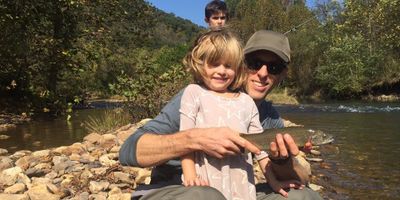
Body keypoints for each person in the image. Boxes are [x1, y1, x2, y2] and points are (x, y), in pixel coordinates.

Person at [119, 30, 323, 200]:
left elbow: (301, 177)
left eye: (274, 67)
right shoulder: (195, 95)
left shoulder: (267, 115)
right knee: (207, 196)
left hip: (237, 191)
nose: (262, 73)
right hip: (179, 189)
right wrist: (194, 139)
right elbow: (128, 151)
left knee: (304, 196)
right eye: (254, 62)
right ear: (242, 63)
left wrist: (281, 161)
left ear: (282, 75)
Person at [179, 30, 267, 200]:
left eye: (228, 65)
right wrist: (190, 176)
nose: (222, 71)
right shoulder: (194, 93)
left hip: (241, 183)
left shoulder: (247, 101)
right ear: (200, 64)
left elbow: (260, 148)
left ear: (237, 69)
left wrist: (273, 179)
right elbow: (186, 140)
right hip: (204, 181)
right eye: (214, 64)